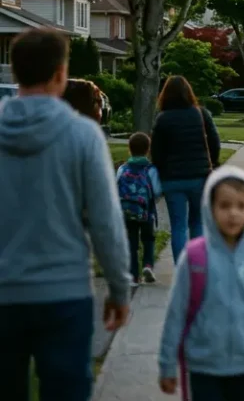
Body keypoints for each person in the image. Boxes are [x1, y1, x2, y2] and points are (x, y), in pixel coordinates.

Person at [0, 28, 132, 401]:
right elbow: (106, 220)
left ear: (15, 73)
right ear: (61, 74)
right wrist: (119, 289)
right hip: (63, 295)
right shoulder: (83, 136)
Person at [158, 167, 244, 401]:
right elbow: (176, 313)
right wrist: (167, 364)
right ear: (210, 208)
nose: (233, 214)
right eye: (225, 205)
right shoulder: (195, 256)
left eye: (241, 206)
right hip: (203, 366)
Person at [152, 75, 222, 263]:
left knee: (178, 226)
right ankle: (198, 268)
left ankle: (182, 271)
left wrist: (161, 170)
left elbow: (156, 152)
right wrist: (212, 163)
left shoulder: (163, 119)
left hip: (172, 179)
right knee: (198, 223)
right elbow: (215, 142)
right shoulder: (201, 114)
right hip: (199, 177)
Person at [118, 132, 163, 284]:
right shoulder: (151, 170)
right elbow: (156, 191)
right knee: (148, 239)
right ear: (148, 150)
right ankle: (148, 265)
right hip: (146, 212)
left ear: (129, 149)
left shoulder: (123, 169)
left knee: (131, 242)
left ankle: (133, 275)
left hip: (127, 212)